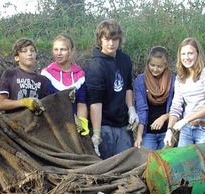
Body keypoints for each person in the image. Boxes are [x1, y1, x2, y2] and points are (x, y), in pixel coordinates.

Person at [84, 19, 137, 158]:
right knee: (106, 168)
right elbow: (95, 102)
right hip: (104, 125)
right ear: (100, 40)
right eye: (107, 39)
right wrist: (96, 134)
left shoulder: (125, 59)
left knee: (125, 165)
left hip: (123, 124)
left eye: (115, 39)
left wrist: (131, 109)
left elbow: (128, 86)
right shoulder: (96, 66)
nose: (111, 43)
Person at [164, 37, 205, 147]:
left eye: (190, 53)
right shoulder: (180, 77)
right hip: (187, 130)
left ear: (198, 54)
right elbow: (176, 106)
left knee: (202, 163)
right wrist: (169, 129)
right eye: (183, 54)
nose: (186, 57)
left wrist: (185, 119)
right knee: (183, 162)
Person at [41, 34, 89, 135]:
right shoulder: (46, 74)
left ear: (72, 51)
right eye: (56, 49)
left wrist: (82, 122)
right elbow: (46, 102)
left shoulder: (80, 75)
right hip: (53, 125)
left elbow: (81, 103)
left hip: (75, 124)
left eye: (63, 49)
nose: (59, 53)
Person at [133, 46, 175, 150]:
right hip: (148, 133)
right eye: (152, 65)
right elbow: (141, 109)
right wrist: (139, 136)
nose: (155, 69)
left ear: (166, 65)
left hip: (167, 131)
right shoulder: (140, 81)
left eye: (159, 66)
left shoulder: (174, 81)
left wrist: (164, 117)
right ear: (148, 64)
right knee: (147, 161)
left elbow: (178, 108)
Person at [0, 38, 50, 113]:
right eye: (24, 51)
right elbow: (0, 104)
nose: (29, 53)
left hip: (36, 122)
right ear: (17, 57)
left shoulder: (42, 80)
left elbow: (46, 107)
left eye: (32, 50)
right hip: (14, 122)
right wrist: (23, 102)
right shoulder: (10, 74)